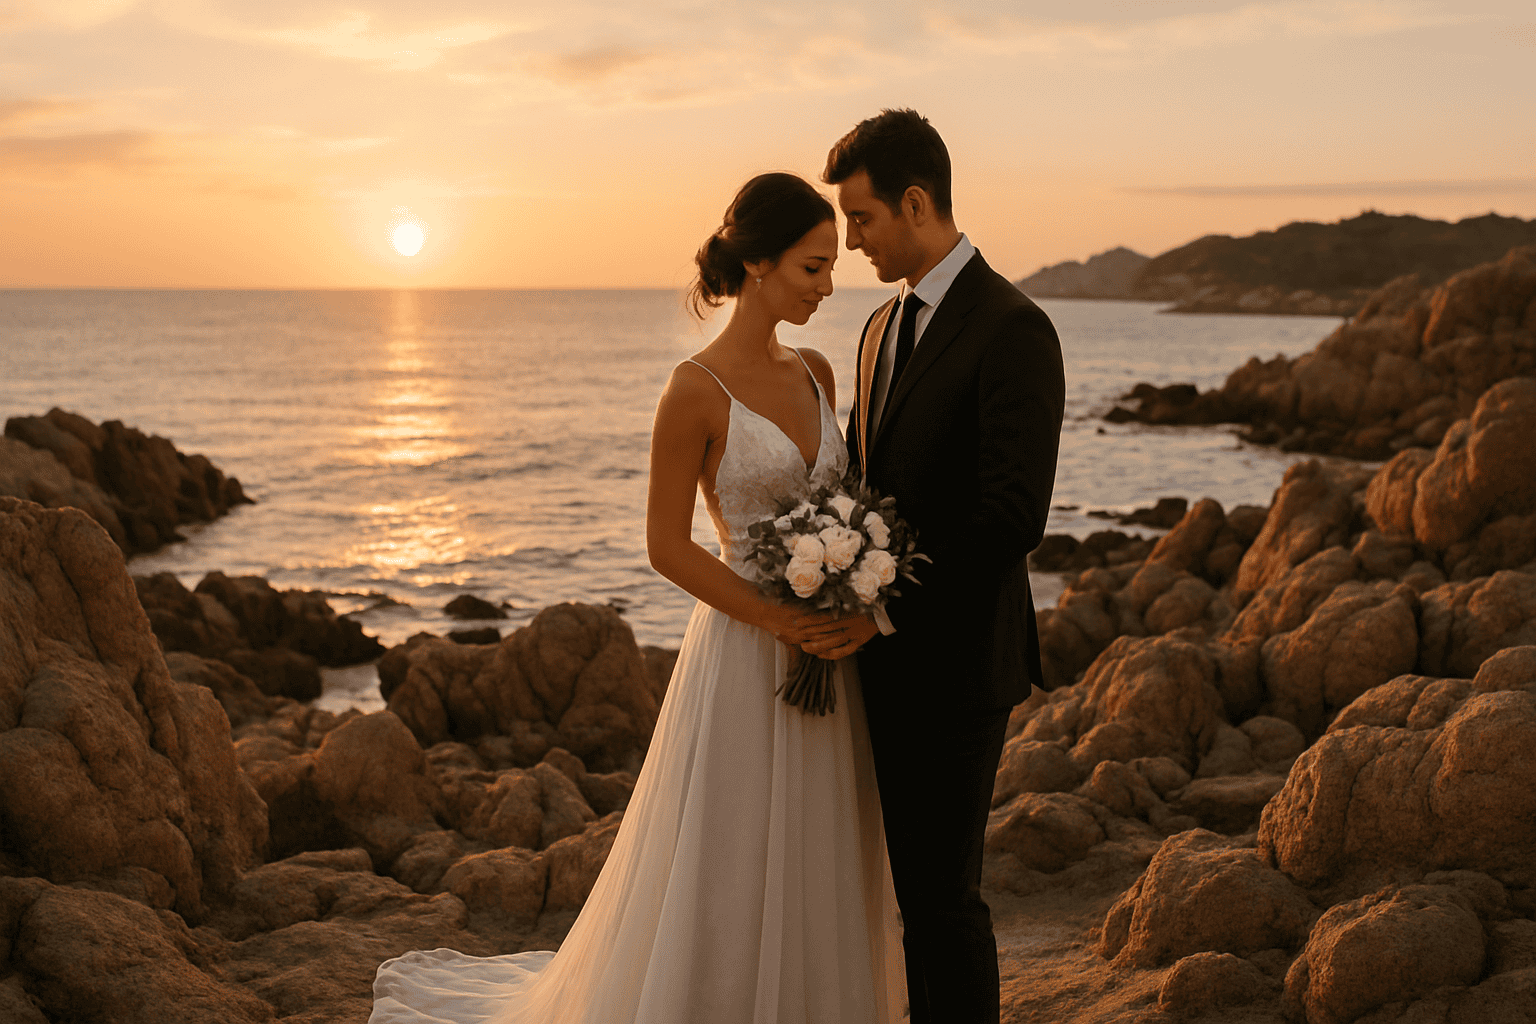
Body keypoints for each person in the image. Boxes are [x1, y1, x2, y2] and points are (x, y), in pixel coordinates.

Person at [369, 171, 905, 1023]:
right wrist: (778, 617)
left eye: (832, 265)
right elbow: (664, 545)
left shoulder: (817, 372)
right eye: (811, 267)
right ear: (759, 265)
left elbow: (839, 506)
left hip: (827, 652)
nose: (828, 285)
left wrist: (847, 594)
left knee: (819, 842)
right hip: (746, 649)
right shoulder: (693, 390)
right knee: (732, 851)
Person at [802, 109, 1065, 1024]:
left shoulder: (1013, 326)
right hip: (876, 662)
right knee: (893, 890)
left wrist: (878, 604)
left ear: (916, 203)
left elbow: (1010, 518)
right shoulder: (878, 330)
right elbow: (868, 484)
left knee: (942, 901)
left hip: (956, 664)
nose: (852, 242)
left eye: (863, 220)